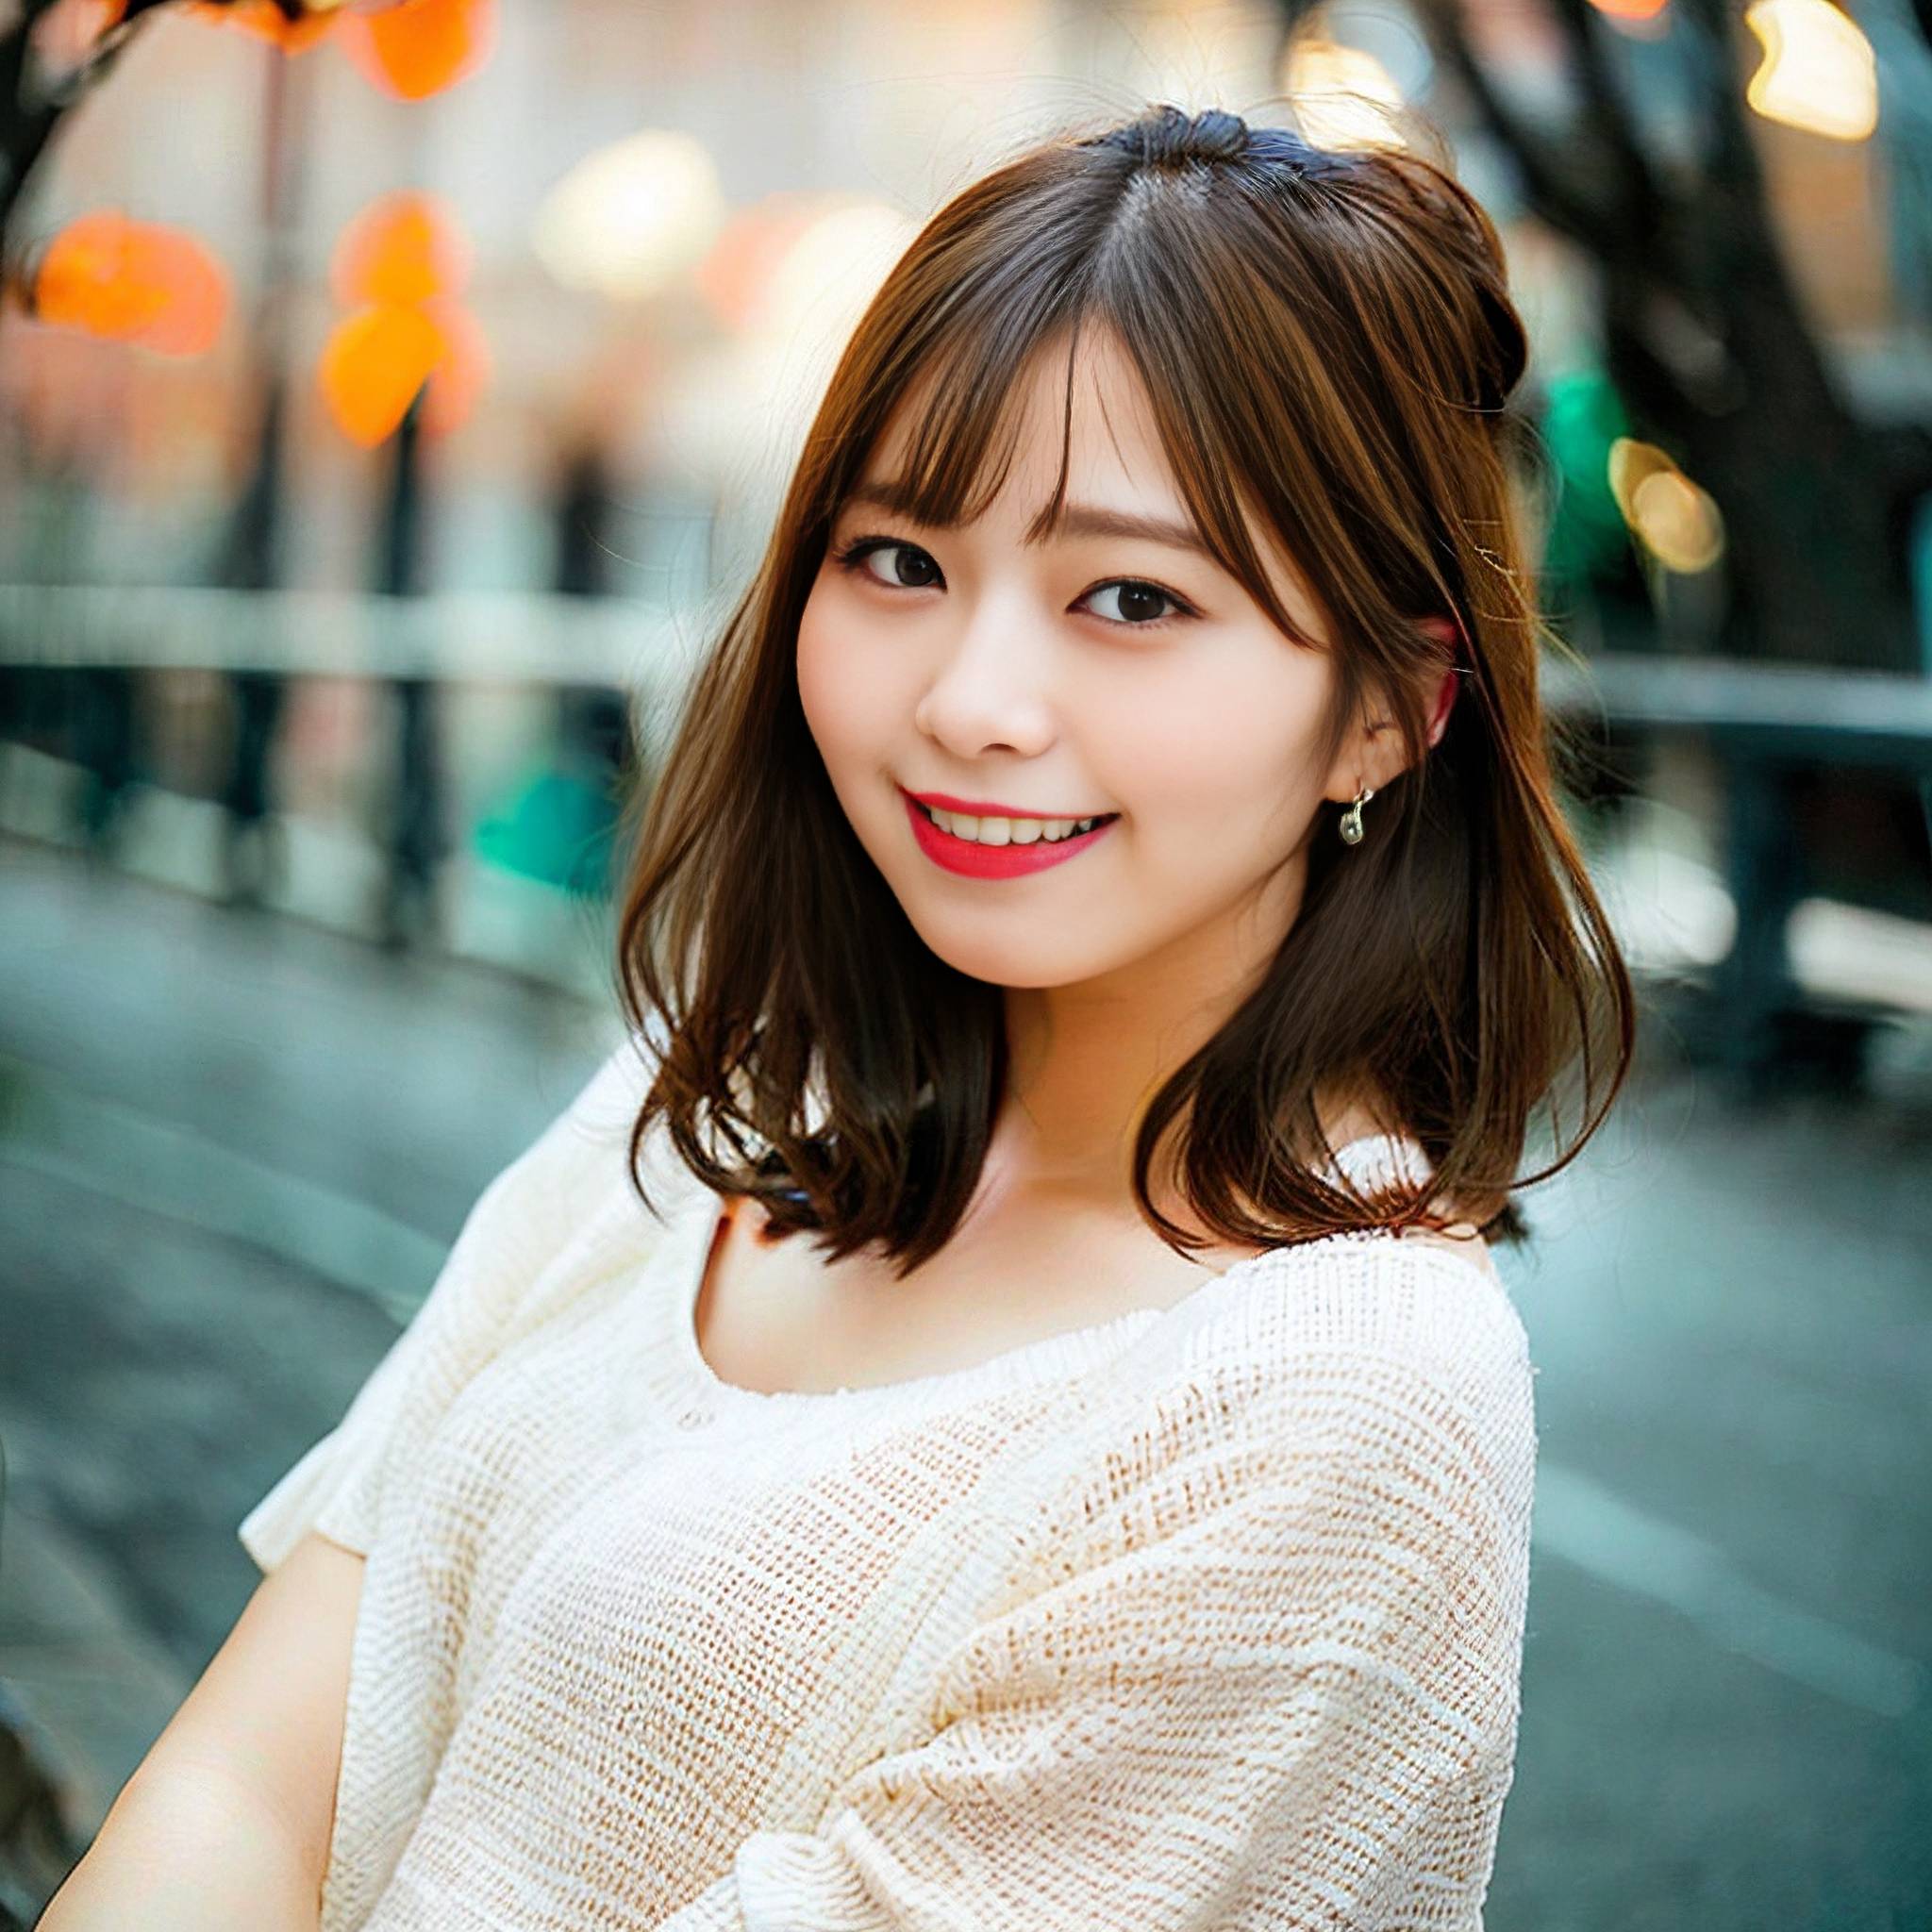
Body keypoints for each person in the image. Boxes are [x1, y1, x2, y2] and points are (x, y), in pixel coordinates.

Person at [42, 102, 1635, 1931]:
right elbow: (250, 1784)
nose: (969, 699)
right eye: (897, 562)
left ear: (1389, 710)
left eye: (1130, 596)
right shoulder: (713, 1106)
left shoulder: (1340, 1394)